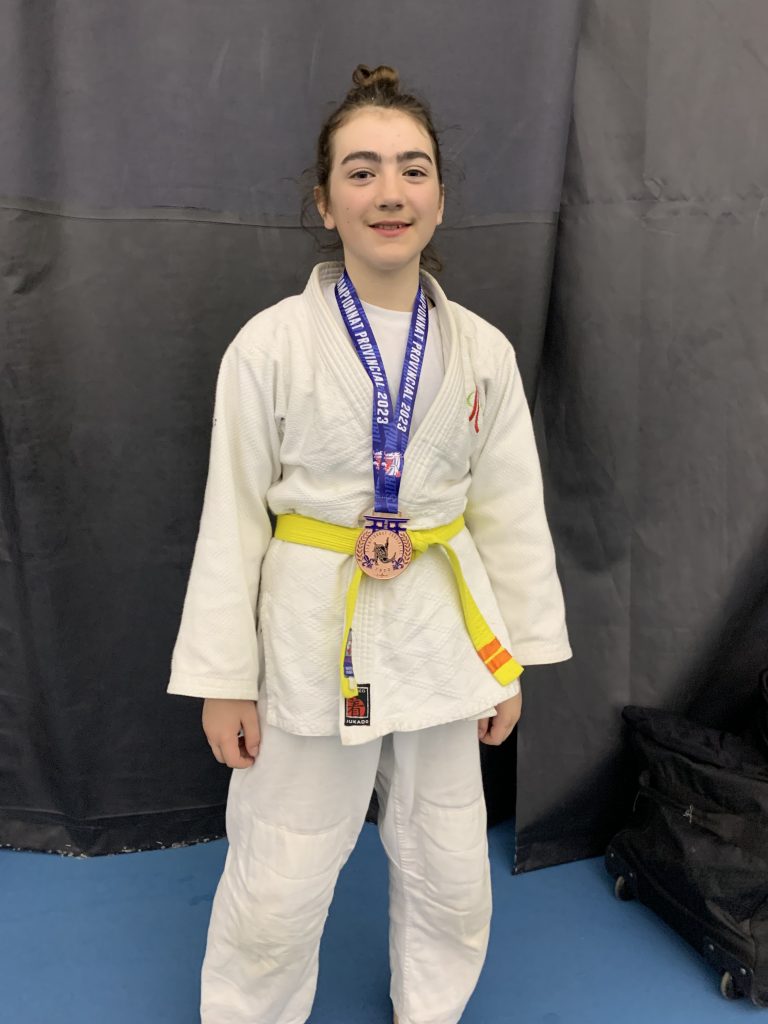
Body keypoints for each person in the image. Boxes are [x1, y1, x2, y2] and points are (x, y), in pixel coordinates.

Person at [168, 63, 572, 1024]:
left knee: (450, 857)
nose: (390, 192)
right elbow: (232, 515)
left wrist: (508, 663)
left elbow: (511, 513)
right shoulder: (269, 345)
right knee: (280, 870)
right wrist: (225, 677)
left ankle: (430, 1007)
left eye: (412, 169)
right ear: (324, 202)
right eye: (361, 171)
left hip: (440, 623)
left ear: (440, 197)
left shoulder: (482, 351)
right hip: (312, 630)